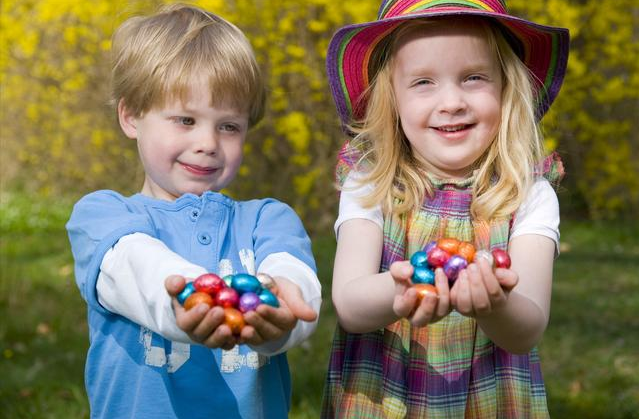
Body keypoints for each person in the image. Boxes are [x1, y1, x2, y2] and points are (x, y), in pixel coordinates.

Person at [66, 4, 322, 418]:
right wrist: (195, 300)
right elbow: (136, 267)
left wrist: (282, 313)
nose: (208, 142)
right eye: (185, 120)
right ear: (131, 116)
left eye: (229, 126)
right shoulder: (101, 216)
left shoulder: (267, 220)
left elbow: (295, 283)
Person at [321, 0, 568, 417]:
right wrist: (401, 289)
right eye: (423, 82)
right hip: (382, 400)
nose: (451, 102)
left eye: (473, 78)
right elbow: (349, 302)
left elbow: (527, 327)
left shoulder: (528, 194)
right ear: (391, 100)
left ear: (507, 91)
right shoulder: (371, 183)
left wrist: (493, 304)